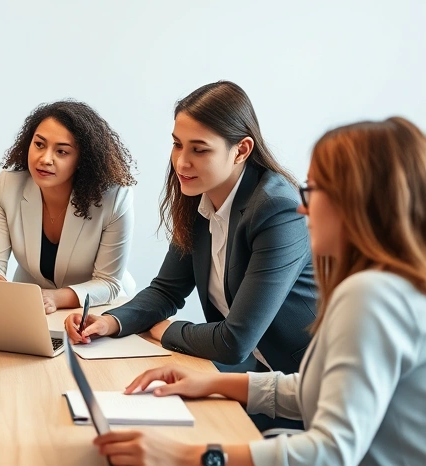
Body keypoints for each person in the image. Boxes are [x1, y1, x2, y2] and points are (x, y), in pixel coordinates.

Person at [93, 117, 426, 466]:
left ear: (358, 199)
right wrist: (213, 382)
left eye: (314, 190)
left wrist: (187, 458)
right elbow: (315, 390)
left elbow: (330, 455)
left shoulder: (372, 296)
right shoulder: (392, 288)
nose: (303, 205)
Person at [66, 81, 316, 374]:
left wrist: (165, 330)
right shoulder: (201, 197)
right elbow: (166, 290)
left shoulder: (276, 210)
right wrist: (110, 321)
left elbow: (235, 341)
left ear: (241, 150)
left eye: (199, 150)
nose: (181, 162)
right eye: (177, 144)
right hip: (262, 372)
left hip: (310, 383)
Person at [0, 100, 135, 313]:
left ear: (82, 160)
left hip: (97, 309)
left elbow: (108, 283)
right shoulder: (8, 186)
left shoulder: (114, 198)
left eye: (62, 152)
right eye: (39, 145)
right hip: (31, 307)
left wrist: (56, 298)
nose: (45, 159)